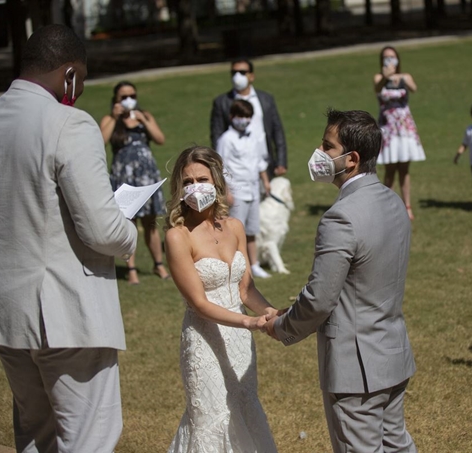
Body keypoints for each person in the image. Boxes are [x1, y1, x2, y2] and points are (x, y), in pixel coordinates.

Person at [0, 24, 137, 452]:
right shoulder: (69, 123)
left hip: (7, 312)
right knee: (87, 438)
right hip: (67, 313)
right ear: (70, 74)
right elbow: (101, 229)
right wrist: (129, 232)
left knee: (37, 437)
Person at [264, 109, 417, 453]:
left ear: (352, 159)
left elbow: (320, 299)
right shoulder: (394, 201)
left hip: (356, 370)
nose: (318, 152)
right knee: (397, 447)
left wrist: (282, 325)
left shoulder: (340, 217)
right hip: (393, 354)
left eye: (327, 146)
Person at [165, 146, 278, 452]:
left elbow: (245, 291)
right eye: (187, 182)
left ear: (216, 181)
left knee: (244, 408)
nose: (195, 187)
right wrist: (250, 321)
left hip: (240, 342)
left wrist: (270, 310)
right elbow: (199, 303)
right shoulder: (178, 236)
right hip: (204, 340)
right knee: (210, 417)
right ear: (179, 187)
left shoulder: (235, 227)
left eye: (202, 178)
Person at [100, 81, 169, 285]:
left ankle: (159, 265)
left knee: (151, 223)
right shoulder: (110, 119)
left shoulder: (144, 115)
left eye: (132, 95)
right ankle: (131, 268)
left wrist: (143, 120)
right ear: (115, 99)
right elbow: (101, 141)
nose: (128, 99)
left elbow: (160, 139)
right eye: (123, 96)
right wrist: (114, 117)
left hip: (146, 174)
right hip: (124, 176)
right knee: (128, 223)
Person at [217, 99, 272, 279]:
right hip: (237, 188)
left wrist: (265, 181)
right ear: (232, 117)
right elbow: (221, 166)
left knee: (252, 229)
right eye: (241, 116)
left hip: (253, 188)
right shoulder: (226, 139)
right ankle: (236, 265)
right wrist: (227, 192)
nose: (244, 120)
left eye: (248, 117)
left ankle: (254, 263)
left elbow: (259, 161)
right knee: (235, 230)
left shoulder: (253, 136)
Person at [210, 58, 288, 177]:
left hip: (265, 164)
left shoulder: (266, 99)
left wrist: (281, 161)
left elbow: (277, 130)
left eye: (242, 72)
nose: (237, 76)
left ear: (251, 76)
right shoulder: (222, 102)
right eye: (234, 72)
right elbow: (217, 135)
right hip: (238, 167)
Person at [374, 46, 426, 221]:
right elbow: (377, 89)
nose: (390, 60)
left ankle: (407, 205)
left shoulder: (405, 77)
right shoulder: (379, 78)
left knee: (404, 169)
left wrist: (398, 76)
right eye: (386, 58)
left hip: (404, 127)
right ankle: (387, 207)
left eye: (393, 57)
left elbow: (414, 88)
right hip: (388, 128)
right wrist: (386, 76)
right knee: (390, 170)